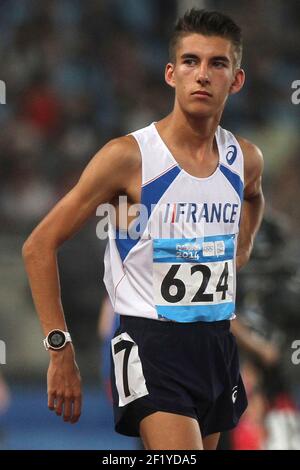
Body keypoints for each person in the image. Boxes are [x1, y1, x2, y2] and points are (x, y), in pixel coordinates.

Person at [22, 9, 264, 450]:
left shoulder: (243, 159)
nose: (202, 75)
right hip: (150, 340)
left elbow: (254, 195)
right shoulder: (129, 156)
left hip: (215, 342)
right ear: (171, 73)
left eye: (217, 63)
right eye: (190, 62)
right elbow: (38, 245)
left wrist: (239, 249)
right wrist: (60, 349)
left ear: (237, 79)